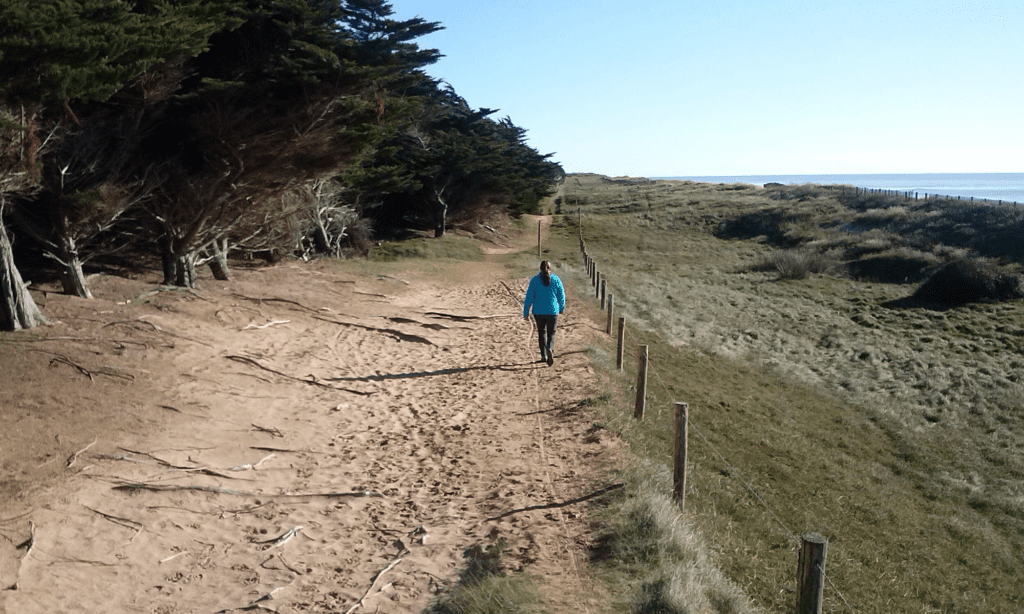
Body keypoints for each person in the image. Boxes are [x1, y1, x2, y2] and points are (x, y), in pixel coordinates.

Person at [522, 260, 565, 366]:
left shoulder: (534, 280)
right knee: (552, 332)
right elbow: (561, 295)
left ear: (540, 268)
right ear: (549, 268)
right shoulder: (556, 279)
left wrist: (526, 312)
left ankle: (543, 356)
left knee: (541, 333)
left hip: (538, 311)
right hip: (552, 311)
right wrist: (561, 307)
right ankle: (550, 348)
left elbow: (529, 297)